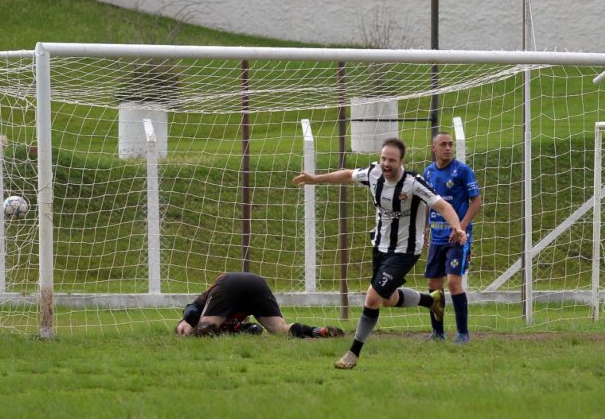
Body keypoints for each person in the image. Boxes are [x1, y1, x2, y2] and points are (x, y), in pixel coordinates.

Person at [293, 137, 466, 369]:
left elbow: (443, 206)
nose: (386, 164)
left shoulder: (414, 183)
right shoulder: (374, 173)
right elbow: (347, 175)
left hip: (405, 250)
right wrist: (315, 179)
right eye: (383, 158)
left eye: (391, 160)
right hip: (380, 246)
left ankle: (353, 353)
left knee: (372, 297)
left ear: (401, 161)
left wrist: (457, 227)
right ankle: (431, 300)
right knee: (387, 299)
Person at [423, 132, 482, 343]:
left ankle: (462, 333)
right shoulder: (428, 173)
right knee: (433, 285)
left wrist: (461, 228)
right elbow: (426, 204)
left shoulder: (463, 171)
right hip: (437, 238)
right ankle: (438, 333)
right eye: (443, 144)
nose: (448, 148)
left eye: (450, 144)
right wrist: (424, 230)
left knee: (454, 283)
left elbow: (476, 202)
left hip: (457, 239)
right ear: (434, 148)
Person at [175, 271, 345, 338]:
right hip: (257, 283)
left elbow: (191, 309)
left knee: (205, 329)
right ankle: (318, 331)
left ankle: (206, 329)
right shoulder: (236, 327)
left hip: (228, 284)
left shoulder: (208, 295)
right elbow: (254, 329)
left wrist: (187, 322)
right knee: (280, 329)